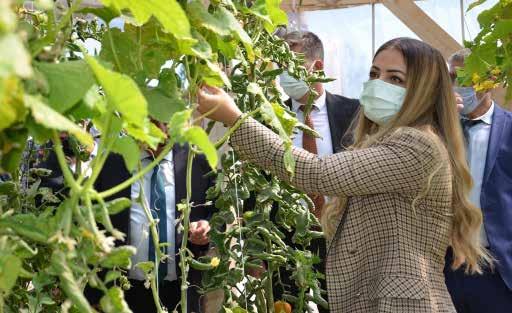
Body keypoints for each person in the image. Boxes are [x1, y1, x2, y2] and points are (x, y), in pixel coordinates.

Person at [197, 37, 490, 313]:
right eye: (374, 74)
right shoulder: (387, 141)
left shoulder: (418, 144)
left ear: (423, 90)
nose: (378, 84)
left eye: (395, 79)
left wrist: (234, 119)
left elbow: (319, 173)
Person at [89, 122, 215, 312]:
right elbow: (92, 217)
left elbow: (215, 210)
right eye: (153, 120)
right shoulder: (111, 159)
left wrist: (207, 228)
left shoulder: (195, 159)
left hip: (182, 291)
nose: (161, 128)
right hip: (124, 290)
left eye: (167, 120)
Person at [275, 30, 359, 311]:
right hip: (288, 243)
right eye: (280, 67)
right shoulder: (272, 119)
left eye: (292, 66)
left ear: (317, 67)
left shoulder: (354, 114)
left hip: (345, 238)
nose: (284, 75)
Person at [444, 48, 512, 313]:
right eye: (452, 78)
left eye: (468, 80)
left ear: (490, 82)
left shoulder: (508, 129)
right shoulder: (438, 130)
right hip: (445, 265)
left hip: (497, 269)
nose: (458, 87)